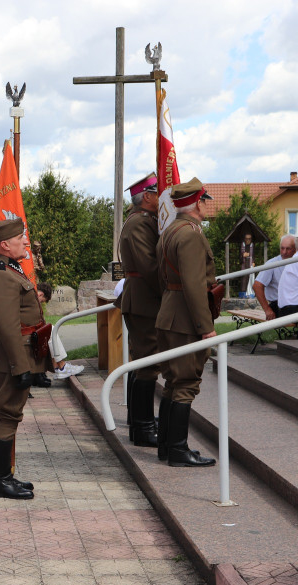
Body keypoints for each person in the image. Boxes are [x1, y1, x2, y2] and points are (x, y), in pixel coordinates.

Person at [0, 217, 54, 499]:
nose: (25, 242)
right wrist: (20, 367)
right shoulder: (0, 274)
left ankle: (6, 476)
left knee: (10, 414)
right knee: (7, 415)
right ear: (4, 245)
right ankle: (0, 481)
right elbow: (8, 326)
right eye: (20, 239)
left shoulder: (10, 269)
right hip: (9, 357)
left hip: (15, 355)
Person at [155, 179, 217, 468]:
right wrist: (206, 327)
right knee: (186, 383)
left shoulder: (170, 230)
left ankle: (167, 446)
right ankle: (178, 450)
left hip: (170, 313)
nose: (208, 205)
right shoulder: (190, 234)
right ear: (196, 203)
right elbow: (194, 286)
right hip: (184, 320)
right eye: (205, 200)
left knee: (173, 382)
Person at [119, 172, 162, 449]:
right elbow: (149, 267)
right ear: (146, 196)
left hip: (142, 299)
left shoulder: (142, 221)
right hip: (144, 300)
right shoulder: (139, 224)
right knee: (147, 363)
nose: (163, 197)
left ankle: (139, 421)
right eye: (158, 192)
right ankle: (143, 426)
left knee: (141, 361)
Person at [35, 282, 84, 382]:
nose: (41, 303)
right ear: (40, 295)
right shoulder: (31, 301)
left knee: (50, 330)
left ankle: (59, 367)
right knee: (51, 330)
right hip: (24, 331)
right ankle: (61, 367)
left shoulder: (30, 299)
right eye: (42, 301)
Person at [252, 235, 296, 320]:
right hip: (278, 305)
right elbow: (257, 286)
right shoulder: (272, 263)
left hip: (294, 303)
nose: (284, 252)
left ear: (295, 249)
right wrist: (267, 310)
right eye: (282, 248)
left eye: (288, 249)